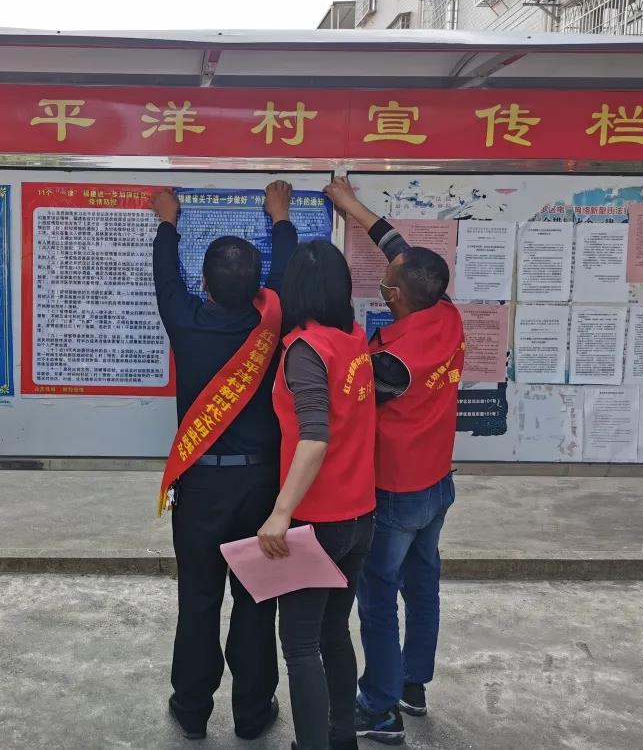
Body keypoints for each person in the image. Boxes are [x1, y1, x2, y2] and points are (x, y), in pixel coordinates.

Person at [152, 182, 297, 742]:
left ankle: (191, 712)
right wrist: (280, 217)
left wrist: (168, 223)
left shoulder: (184, 319)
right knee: (257, 602)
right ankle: (252, 715)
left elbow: (165, 279)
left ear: (204, 284)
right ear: (259, 289)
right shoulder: (274, 324)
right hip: (261, 485)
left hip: (200, 488)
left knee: (198, 602)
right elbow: (284, 272)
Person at [324, 177, 464, 746]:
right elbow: (399, 250)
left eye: (388, 280)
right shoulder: (446, 313)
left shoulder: (392, 364)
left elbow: (344, 405)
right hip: (437, 485)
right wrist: (351, 205)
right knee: (422, 582)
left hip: (396, 492)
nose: (384, 279)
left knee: (378, 596)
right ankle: (413, 684)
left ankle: (379, 709)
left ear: (395, 296)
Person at [257, 240, 377, 750]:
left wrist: (280, 513)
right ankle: (340, 737)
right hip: (359, 518)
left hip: (317, 522)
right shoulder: (354, 339)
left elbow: (315, 436)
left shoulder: (305, 350)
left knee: (301, 644)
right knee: (333, 633)